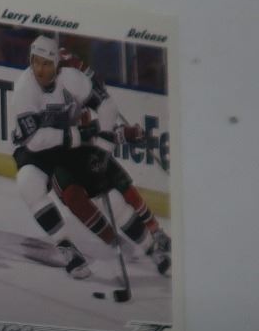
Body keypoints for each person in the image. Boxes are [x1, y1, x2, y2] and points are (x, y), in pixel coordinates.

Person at [10, 34, 171, 279]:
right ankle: (67, 248)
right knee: (28, 183)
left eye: (46, 63)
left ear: (57, 64)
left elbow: (107, 106)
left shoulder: (72, 79)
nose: (40, 69)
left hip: (72, 148)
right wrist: (82, 133)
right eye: (36, 62)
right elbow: (37, 140)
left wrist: (104, 146)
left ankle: (152, 248)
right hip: (36, 153)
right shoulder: (24, 89)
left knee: (114, 199)